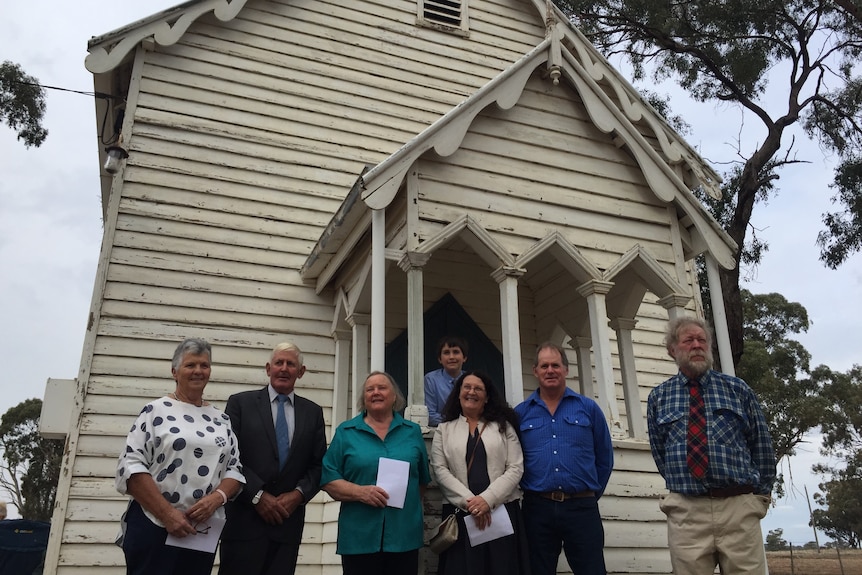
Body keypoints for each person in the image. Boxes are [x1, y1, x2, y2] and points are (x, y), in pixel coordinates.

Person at [647, 317, 776, 575]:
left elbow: (761, 447)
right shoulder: (659, 397)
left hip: (737, 507)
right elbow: (660, 454)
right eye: (688, 340)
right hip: (687, 512)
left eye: (701, 340)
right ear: (672, 349)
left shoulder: (737, 390)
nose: (697, 345)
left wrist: (756, 500)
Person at [115, 338, 245, 575]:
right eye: (190, 365)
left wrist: (217, 498)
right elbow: (131, 466)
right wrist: (167, 514)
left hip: (200, 530)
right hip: (153, 523)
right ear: (174, 371)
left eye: (204, 366)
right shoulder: (155, 411)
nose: (198, 371)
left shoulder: (221, 420)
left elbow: (235, 470)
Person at [219, 342, 327, 575]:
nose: (284, 368)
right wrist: (257, 495)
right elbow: (229, 457)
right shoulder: (240, 404)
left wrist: (298, 495)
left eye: (291, 364)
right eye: (279, 363)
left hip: (286, 525)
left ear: (301, 371)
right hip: (243, 524)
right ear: (268, 369)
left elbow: (318, 465)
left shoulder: (313, 412)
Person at [515, 342, 614, 575]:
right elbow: (513, 459)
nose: (550, 370)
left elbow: (605, 458)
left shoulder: (588, 408)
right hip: (537, 508)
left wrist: (588, 494)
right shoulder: (521, 413)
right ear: (535, 370)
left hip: (581, 508)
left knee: (592, 570)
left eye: (555, 365)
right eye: (544, 365)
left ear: (566, 370)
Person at [321, 371, 431, 575]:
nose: (376, 392)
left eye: (382, 388)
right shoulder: (346, 432)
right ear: (364, 397)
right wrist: (360, 492)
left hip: (403, 536)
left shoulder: (412, 432)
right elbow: (329, 479)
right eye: (370, 389)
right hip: (359, 537)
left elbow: (421, 481)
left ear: (394, 396)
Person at [430, 370, 529, 575]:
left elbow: (516, 466)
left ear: (487, 397)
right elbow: (440, 470)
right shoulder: (444, 430)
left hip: (501, 513)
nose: (471, 392)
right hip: (461, 515)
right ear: (458, 393)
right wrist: (472, 503)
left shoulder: (504, 427)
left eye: (478, 388)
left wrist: (487, 499)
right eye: (466, 387)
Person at [425, 335, 469, 426]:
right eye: (446, 353)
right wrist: (457, 423)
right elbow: (429, 415)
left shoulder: (471, 380)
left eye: (456, 352)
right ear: (440, 359)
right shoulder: (431, 380)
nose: (451, 357)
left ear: (464, 358)